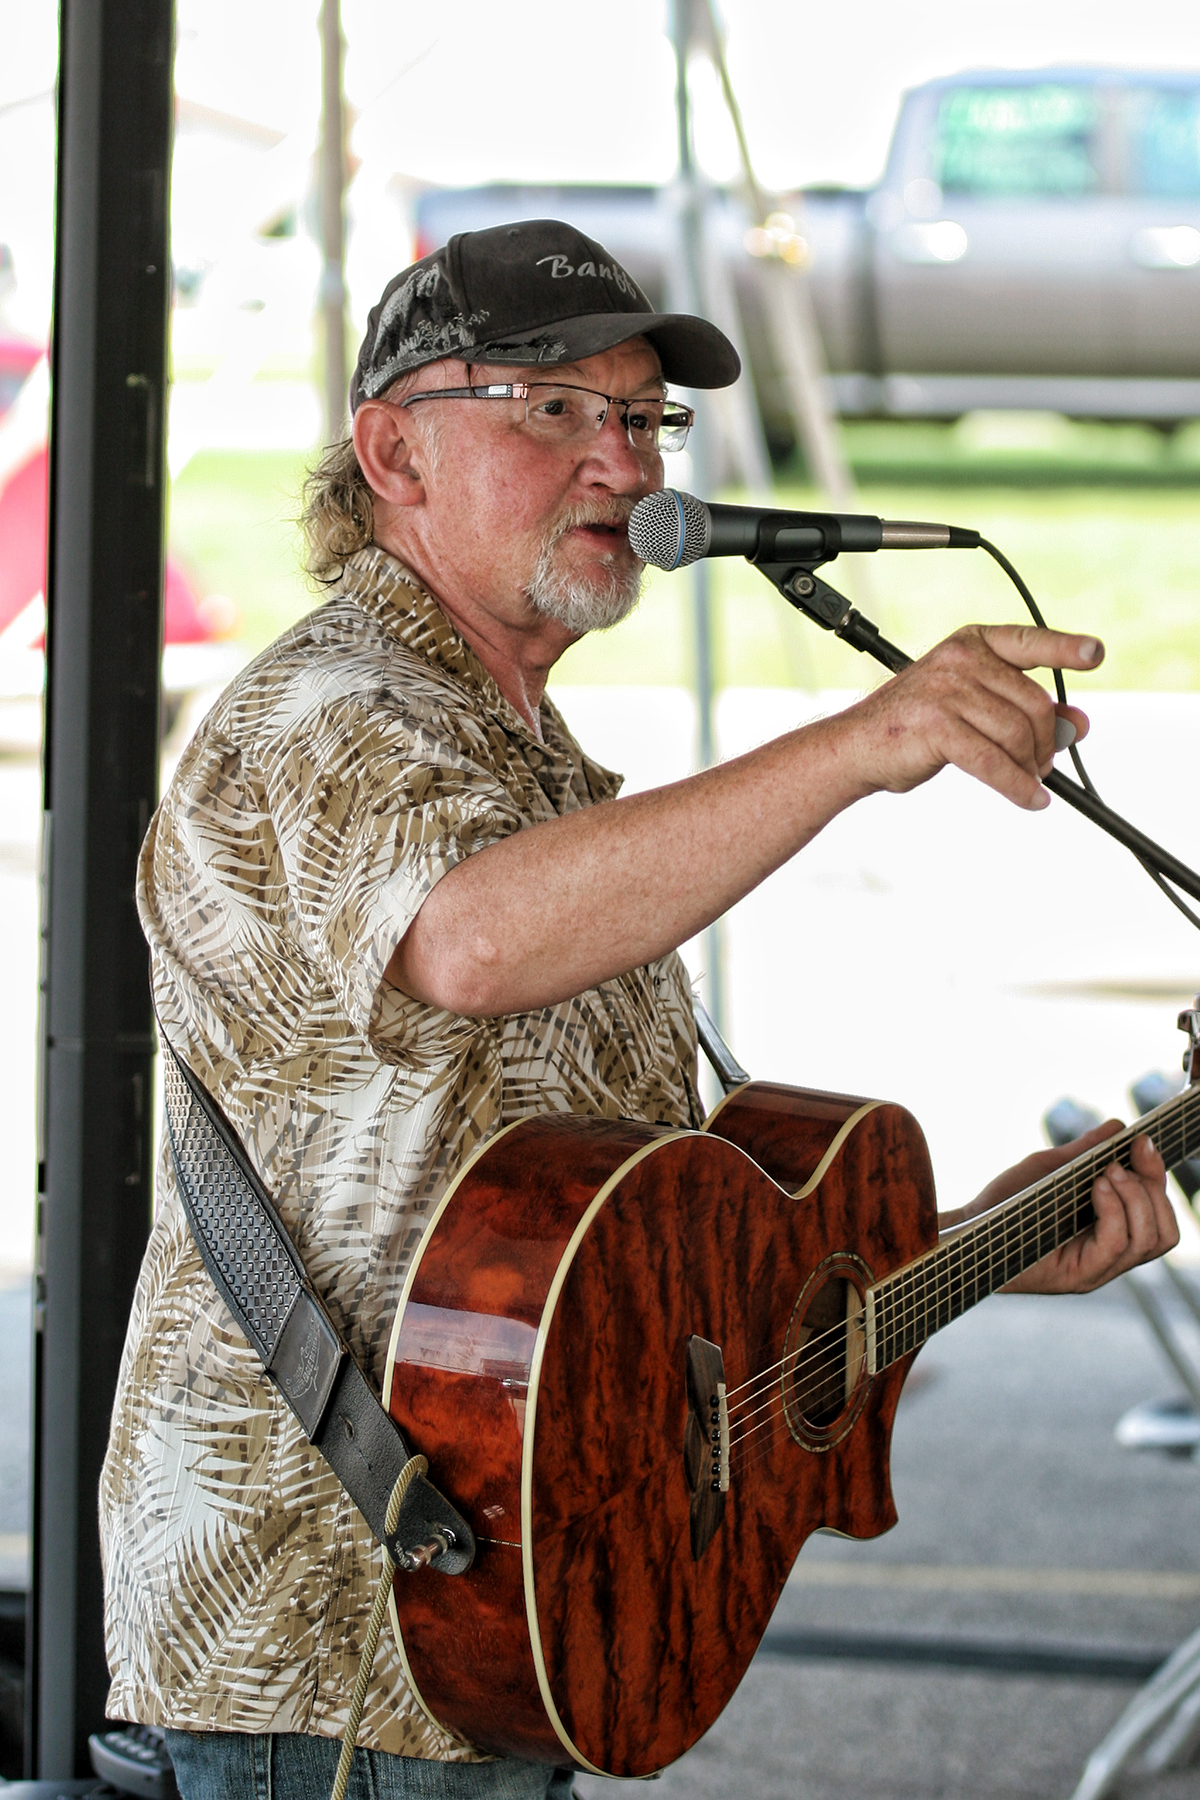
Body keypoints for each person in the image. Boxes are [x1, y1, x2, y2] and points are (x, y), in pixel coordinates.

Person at [99, 220, 1177, 1800]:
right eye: (553, 411)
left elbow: (643, 1279)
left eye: (642, 420)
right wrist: (865, 740)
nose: (623, 463)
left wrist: (970, 1246)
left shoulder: (533, 762)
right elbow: (461, 939)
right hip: (326, 1650)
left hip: (514, 1627)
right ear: (391, 452)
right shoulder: (326, 709)